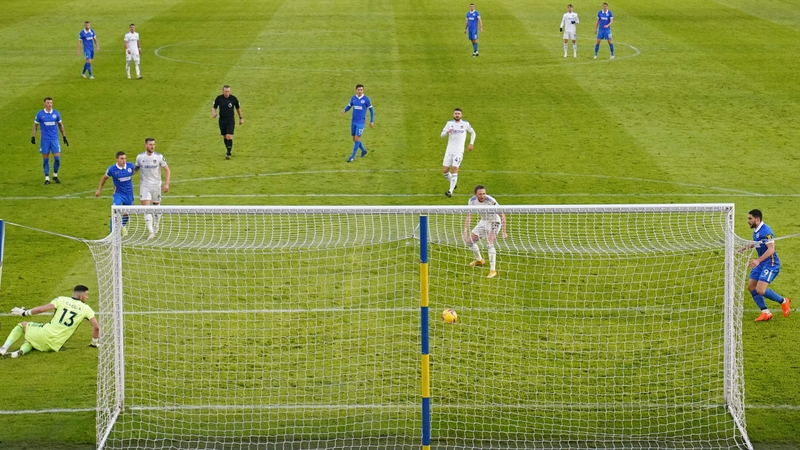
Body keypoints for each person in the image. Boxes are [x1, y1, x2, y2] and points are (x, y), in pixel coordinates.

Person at [0, 285, 99, 359]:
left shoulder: (61, 299)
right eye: (86, 295)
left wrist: (24, 312)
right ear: (81, 296)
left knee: (22, 325)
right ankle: (19, 352)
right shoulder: (87, 309)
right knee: (32, 341)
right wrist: (94, 343)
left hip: (45, 333)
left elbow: (41, 309)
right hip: (55, 345)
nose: (87, 297)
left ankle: (4, 348)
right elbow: (96, 327)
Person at [743, 209, 791, 322]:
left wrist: (758, 260)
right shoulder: (756, 230)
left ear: (757, 219)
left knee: (760, 289)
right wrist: (744, 248)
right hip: (761, 262)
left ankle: (784, 301)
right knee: (751, 286)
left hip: (770, 263)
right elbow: (758, 242)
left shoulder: (766, 232)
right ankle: (765, 313)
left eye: (750, 218)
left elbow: (771, 249)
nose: (747, 221)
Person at [463, 185, 507, 279]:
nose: (483, 196)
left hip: (495, 221)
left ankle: (492, 270)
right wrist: (465, 230)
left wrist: (504, 231)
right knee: (469, 242)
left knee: (489, 243)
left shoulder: (491, 201)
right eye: (480, 194)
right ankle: (479, 260)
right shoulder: (471, 201)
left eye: (484, 193)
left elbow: (502, 215)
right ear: (475, 194)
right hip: (484, 221)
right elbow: (469, 215)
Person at [134, 138, 170, 239]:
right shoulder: (140, 157)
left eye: (153, 144)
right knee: (146, 208)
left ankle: (156, 225)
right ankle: (150, 231)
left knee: (156, 206)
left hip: (156, 186)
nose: (152, 146)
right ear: (145, 145)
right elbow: (135, 169)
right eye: (150, 144)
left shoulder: (159, 157)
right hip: (144, 186)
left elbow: (167, 170)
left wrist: (166, 184)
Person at [95, 151, 136, 235]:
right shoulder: (112, 169)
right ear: (117, 159)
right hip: (118, 194)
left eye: (125, 158)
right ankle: (112, 234)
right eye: (121, 158)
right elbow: (104, 178)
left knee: (127, 213)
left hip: (129, 194)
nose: (124, 160)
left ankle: (123, 225)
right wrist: (99, 190)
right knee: (115, 212)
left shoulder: (130, 166)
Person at [32, 97, 69, 185]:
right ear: (44, 104)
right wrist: (33, 136)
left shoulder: (56, 113)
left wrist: (64, 136)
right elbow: (35, 125)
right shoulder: (40, 114)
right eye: (48, 103)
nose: (49, 105)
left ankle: (55, 175)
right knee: (45, 160)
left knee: (57, 159)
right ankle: (47, 178)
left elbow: (60, 125)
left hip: (54, 139)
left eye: (51, 103)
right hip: (45, 140)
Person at [440, 108, 476, 198]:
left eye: (458, 114)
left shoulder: (465, 124)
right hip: (449, 151)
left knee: (455, 169)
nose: (457, 115)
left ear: (461, 115)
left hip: (458, 151)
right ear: (453, 115)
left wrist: (471, 143)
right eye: (455, 113)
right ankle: (453, 183)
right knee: (444, 171)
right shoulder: (449, 124)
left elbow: (473, 133)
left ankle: (450, 191)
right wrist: (448, 132)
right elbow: (442, 135)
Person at [341, 84, 374, 162]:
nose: (360, 91)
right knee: (354, 139)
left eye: (361, 90)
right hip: (353, 121)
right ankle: (363, 150)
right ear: (356, 90)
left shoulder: (366, 99)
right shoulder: (353, 98)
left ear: (363, 90)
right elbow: (349, 106)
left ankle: (352, 157)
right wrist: (345, 110)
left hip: (361, 122)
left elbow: (371, 110)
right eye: (358, 89)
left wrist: (371, 121)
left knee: (357, 138)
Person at [212, 85, 243, 159]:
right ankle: (228, 149)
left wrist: (241, 118)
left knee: (229, 136)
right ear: (223, 91)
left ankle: (228, 153)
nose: (227, 93)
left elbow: (238, 108)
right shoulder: (219, 98)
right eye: (225, 91)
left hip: (230, 119)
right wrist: (214, 113)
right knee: (225, 136)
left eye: (228, 91)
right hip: (222, 119)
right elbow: (214, 107)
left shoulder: (233, 99)